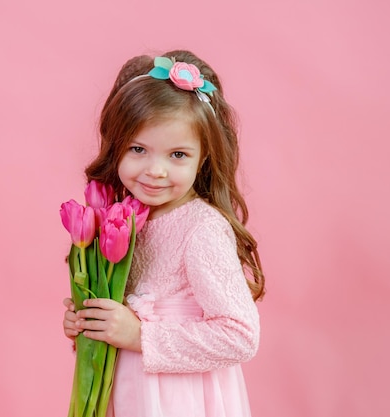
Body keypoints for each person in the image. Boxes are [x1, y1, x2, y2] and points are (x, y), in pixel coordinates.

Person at [62, 49, 265, 417]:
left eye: (178, 155)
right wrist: (90, 321)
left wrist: (138, 335)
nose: (156, 170)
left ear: (203, 156)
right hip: (126, 392)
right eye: (138, 149)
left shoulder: (201, 228)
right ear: (115, 146)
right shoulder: (122, 218)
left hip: (177, 400)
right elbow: (123, 317)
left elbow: (240, 336)